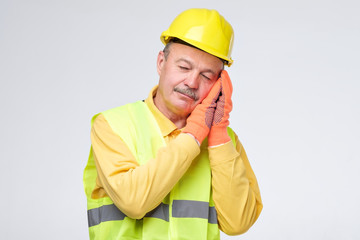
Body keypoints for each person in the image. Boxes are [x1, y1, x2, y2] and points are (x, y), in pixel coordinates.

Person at [83, 8, 262, 240]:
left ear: (220, 84)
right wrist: (196, 132)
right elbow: (133, 202)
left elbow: (238, 223)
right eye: (184, 67)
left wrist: (217, 134)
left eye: (207, 76)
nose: (192, 82)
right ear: (161, 62)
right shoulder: (113, 125)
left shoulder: (224, 140)